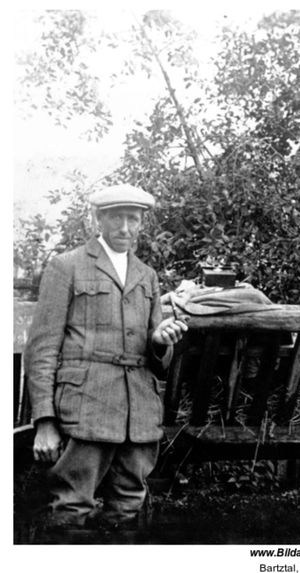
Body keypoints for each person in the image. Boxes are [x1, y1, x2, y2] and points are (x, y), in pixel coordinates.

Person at [24, 183, 188, 533]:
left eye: (133, 219)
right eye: (116, 218)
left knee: (129, 506)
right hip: (85, 408)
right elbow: (42, 348)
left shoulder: (147, 275)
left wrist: (160, 342)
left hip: (138, 414)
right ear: (98, 219)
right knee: (71, 506)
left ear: (142, 222)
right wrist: (45, 421)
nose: (125, 228)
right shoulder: (66, 266)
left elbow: (159, 362)